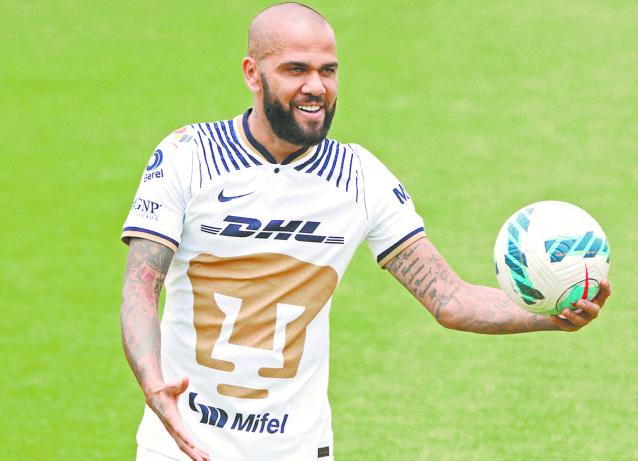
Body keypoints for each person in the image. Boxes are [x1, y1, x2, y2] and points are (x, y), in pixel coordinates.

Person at [120, 3, 612, 461]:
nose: (316, 86)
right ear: (253, 73)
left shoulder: (360, 177)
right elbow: (141, 287)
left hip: (296, 449)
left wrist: (552, 317)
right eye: (296, 70)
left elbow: (450, 300)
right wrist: (153, 383)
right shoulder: (188, 157)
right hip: (178, 445)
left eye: (327, 71)